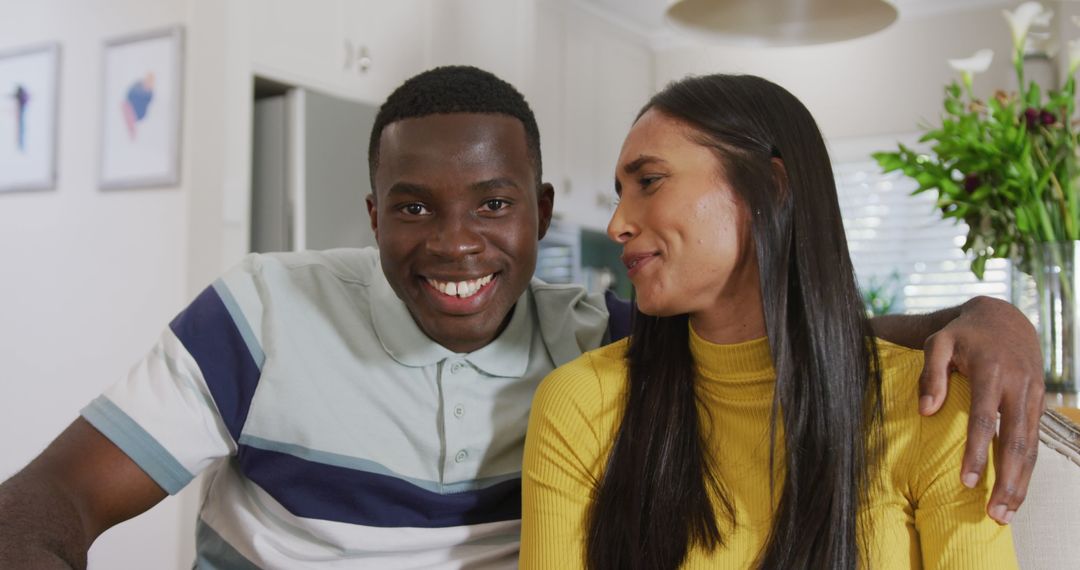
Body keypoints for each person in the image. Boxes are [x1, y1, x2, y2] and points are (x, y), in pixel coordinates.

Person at [0, 66, 1041, 569]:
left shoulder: (599, 340)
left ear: (541, 214)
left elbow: (776, 333)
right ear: (371, 214)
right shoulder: (259, 315)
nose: (456, 245)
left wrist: (989, 315)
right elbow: (46, 501)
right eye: (413, 207)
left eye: (494, 205)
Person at [520, 74, 1022, 570]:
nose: (617, 224)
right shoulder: (580, 406)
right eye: (619, 193)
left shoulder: (931, 407)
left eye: (649, 181)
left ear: (771, 187)